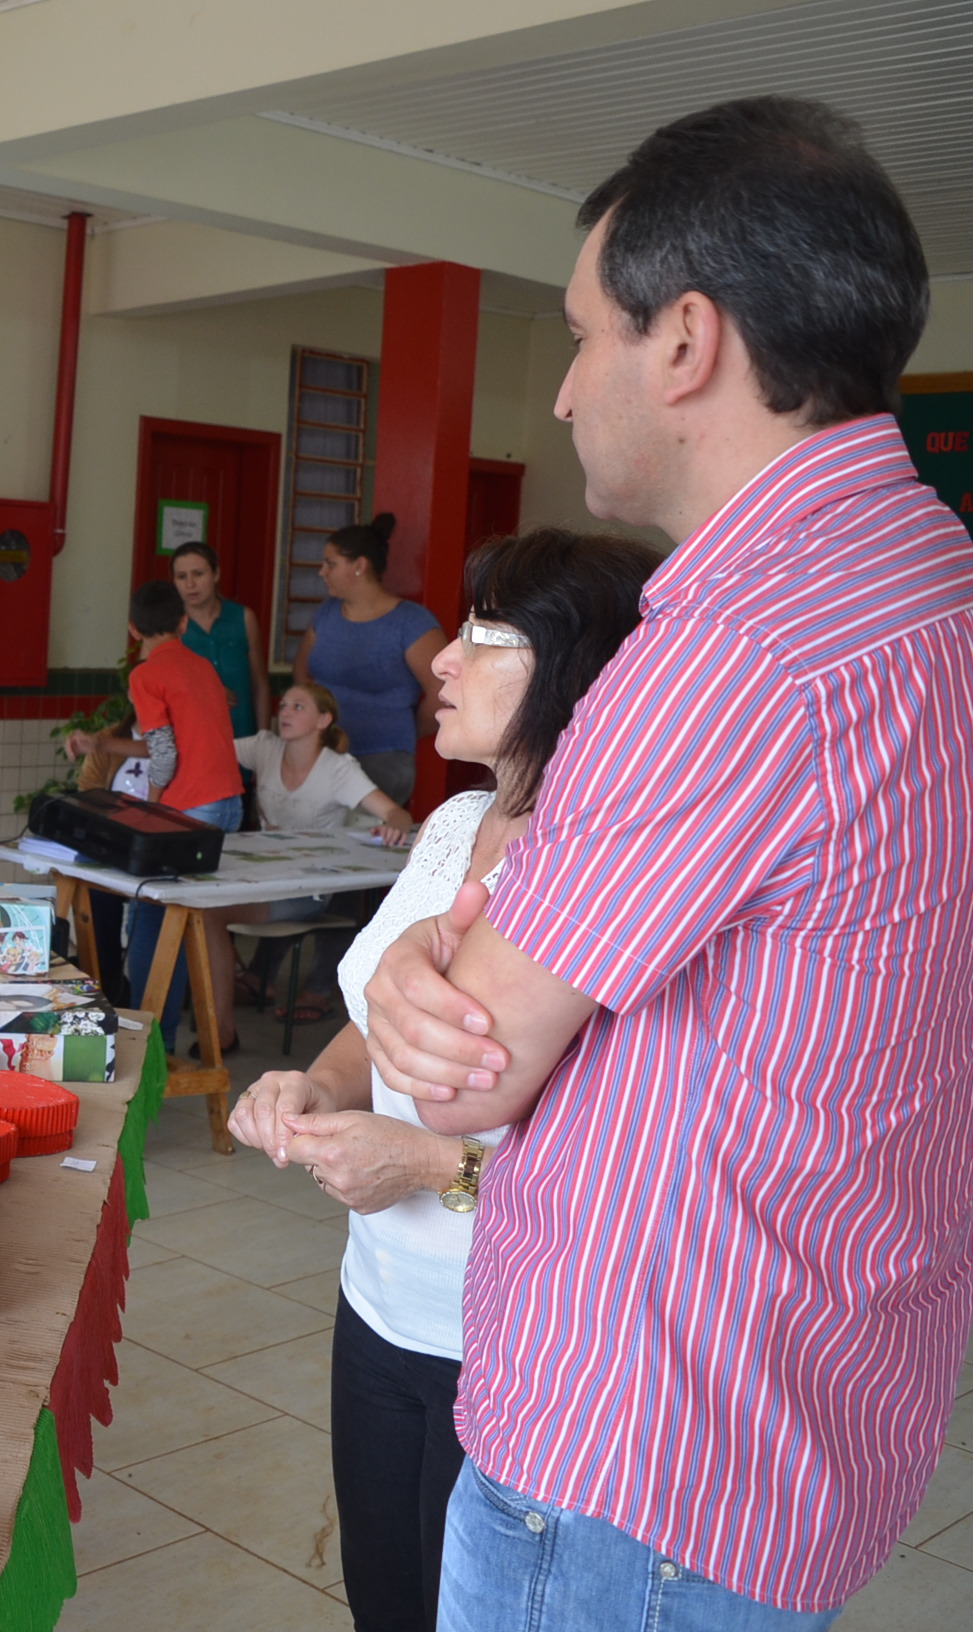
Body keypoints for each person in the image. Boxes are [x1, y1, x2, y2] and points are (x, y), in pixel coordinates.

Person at [364, 99, 973, 1629]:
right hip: (809, 1403)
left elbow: (468, 1071)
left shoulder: (737, 643)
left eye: (582, 338)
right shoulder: (932, 574)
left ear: (688, 341)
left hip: (636, 1452)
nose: (566, 393)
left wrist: (416, 972)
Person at [228, 528, 656, 1632]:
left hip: (514, 1342)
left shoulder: (605, 869)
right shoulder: (458, 822)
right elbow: (373, 1007)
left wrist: (422, 1159)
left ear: (579, 673)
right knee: (383, 1595)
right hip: (380, 1303)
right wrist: (313, 1085)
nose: (442, 662)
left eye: (483, 637)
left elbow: (622, 1152)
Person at [63, 579, 240, 1035]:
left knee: (150, 917)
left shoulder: (145, 675)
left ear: (132, 629)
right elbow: (168, 743)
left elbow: (164, 755)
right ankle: (164, 1039)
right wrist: (100, 742)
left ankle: (146, 1039)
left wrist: (153, 810)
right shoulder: (201, 666)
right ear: (182, 623)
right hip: (227, 803)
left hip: (190, 807)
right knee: (176, 923)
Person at [203, 681, 417, 1021]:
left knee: (208, 914)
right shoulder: (264, 747)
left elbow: (397, 813)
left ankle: (220, 1028)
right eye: (283, 705)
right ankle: (240, 989)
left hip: (306, 891)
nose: (284, 712)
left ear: (323, 720)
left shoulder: (338, 768)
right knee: (196, 904)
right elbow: (206, 747)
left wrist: (393, 825)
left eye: (298, 707)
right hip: (260, 878)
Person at [294, 513, 442, 804]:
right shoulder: (326, 613)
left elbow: (443, 694)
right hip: (320, 755)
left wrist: (404, 730)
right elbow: (302, 672)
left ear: (359, 565)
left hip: (382, 759)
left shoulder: (411, 622)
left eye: (331, 563)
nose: (322, 571)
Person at [170, 542, 269, 738]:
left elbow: (259, 684)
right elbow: (151, 685)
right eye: (182, 577)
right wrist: (204, 692)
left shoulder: (243, 618)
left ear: (216, 574)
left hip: (241, 736)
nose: (190, 584)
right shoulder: (168, 625)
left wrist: (264, 741)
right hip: (191, 739)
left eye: (198, 574)